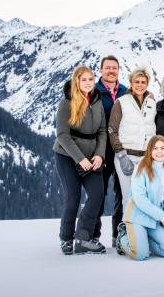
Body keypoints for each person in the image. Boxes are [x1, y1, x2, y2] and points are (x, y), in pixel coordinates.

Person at [53, 65, 107, 255]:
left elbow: (102, 131)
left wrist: (100, 154)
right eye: (84, 79)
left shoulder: (97, 101)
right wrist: (80, 158)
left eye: (90, 79)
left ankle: (83, 238)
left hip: (93, 157)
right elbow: (62, 135)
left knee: (97, 195)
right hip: (67, 156)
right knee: (73, 198)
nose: (88, 83)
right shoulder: (66, 103)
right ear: (77, 81)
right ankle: (66, 238)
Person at [115, 136, 164, 260]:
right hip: (138, 216)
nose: (159, 152)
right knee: (140, 255)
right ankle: (122, 239)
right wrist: (163, 217)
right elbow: (139, 199)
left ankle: (142, 241)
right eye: (155, 148)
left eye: (163, 148)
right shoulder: (142, 168)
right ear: (150, 151)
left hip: (154, 220)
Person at [108, 67, 157, 212]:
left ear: (147, 84)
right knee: (128, 197)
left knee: (145, 197)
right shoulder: (121, 102)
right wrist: (121, 154)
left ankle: (143, 231)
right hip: (126, 155)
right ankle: (128, 232)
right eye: (137, 82)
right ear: (131, 83)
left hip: (146, 157)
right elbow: (112, 129)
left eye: (143, 82)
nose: (140, 85)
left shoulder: (152, 102)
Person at [93, 55, 127, 248]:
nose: (111, 71)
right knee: (99, 193)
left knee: (122, 193)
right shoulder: (94, 91)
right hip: (100, 151)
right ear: (101, 70)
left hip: (121, 149)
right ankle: (93, 236)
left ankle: (117, 235)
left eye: (114, 68)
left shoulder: (125, 91)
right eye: (107, 68)